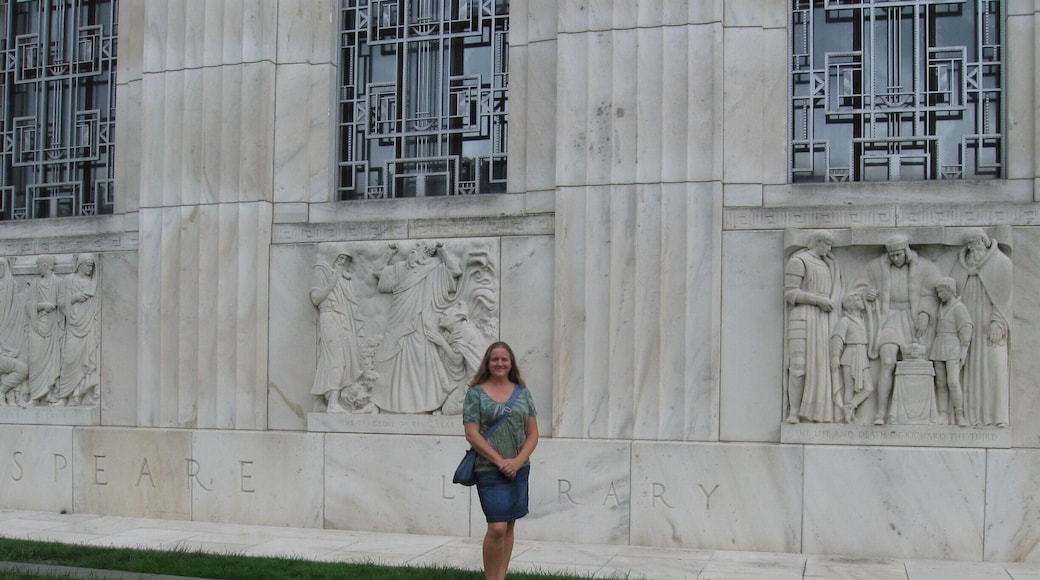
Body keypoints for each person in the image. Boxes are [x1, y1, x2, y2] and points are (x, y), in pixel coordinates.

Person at [463, 341, 538, 580]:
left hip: (519, 470)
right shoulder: (475, 393)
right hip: (489, 470)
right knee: (496, 527)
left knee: (509, 526)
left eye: (504, 359)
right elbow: (471, 433)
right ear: (488, 362)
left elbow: (533, 434)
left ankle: (500, 576)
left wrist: (517, 461)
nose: (500, 363)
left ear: (511, 363)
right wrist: (500, 461)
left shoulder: (523, 393)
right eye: (495, 359)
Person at [854, 236, 940, 425]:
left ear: (906, 251)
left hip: (912, 318)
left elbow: (935, 292)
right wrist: (864, 293)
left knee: (916, 364)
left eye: (899, 254)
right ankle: (881, 412)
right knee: (887, 361)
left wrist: (925, 313)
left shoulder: (924, 267)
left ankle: (915, 414)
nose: (896, 258)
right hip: (889, 318)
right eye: (892, 255)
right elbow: (859, 287)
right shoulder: (876, 267)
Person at [375, 241, 462, 413]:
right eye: (412, 250)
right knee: (394, 364)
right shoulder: (400, 269)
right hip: (398, 324)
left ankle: (425, 406)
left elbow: (455, 271)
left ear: (424, 254)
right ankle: (394, 404)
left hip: (420, 326)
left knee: (422, 368)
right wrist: (388, 253)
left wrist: (443, 251)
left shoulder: (433, 268)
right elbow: (378, 272)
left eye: (416, 250)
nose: (411, 252)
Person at [950, 228, 1012, 427]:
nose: (970, 248)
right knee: (970, 370)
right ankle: (972, 417)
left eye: (974, 243)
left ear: (984, 243)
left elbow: (1005, 298)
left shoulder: (1001, 263)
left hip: (990, 324)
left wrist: (997, 321)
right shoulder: (960, 267)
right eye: (968, 245)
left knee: (995, 365)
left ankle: (998, 417)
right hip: (967, 325)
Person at [783, 230, 843, 423]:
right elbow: (791, 294)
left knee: (820, 366)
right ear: (818, 242)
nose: (830, 249)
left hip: (822, 320)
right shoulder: (799, 261)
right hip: (802, 317)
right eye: (828, 245)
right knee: (798, 365)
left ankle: (817, 411)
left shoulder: (827, 264)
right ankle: (793, 412)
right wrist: (817, 300)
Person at [310, 252, 365, 413]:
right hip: (329, 316)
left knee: (333, 360)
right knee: (337, 360)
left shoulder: (342, 276)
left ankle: (320, 401)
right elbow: (315, 297)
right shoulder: (322, 270)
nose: (342, 262)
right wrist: (333, 280)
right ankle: (333, 403)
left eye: (346, 260)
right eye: (340, 258)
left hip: (341, 319)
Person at [56, 253, 101, 406]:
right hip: (73, 325)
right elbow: (61, 301)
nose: (90, 268)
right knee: (68, 360)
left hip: (88, 326)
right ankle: (63, 396)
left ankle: (77, 395)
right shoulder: (69, 280)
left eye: (92, 266)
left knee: (85, 360)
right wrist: (75, 297)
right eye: (87, 265)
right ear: (79, 264)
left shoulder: (92, 283)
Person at [928, 278, 972, 427]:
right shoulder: (940, 307)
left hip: (953, 345)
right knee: (940, 383)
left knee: (953, 381)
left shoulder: (959, 307)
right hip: (939, 344)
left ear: (950, 290)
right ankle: (943, 414)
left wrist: (964, 350)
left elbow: (966, 327)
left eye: (941, 291)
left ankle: (959, 414)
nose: (939, 295)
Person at [26, 255, 62, 405]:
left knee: (52, 360)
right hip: (37, 324)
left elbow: (63, 302)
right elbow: (28, 305)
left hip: (53, 325)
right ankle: (35, 395)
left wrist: (54, 305)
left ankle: (49, 394)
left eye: (39, 265)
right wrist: (42, 306)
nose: (37, 268)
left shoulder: (58, 282)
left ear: (46, 265)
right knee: (34, 360)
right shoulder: (35, 283)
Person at [831, 293, 872, 424]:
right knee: (849, 387)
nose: (861, 301)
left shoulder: (862, 319)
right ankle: (849, 416)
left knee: (868, 387)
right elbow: (837, 338)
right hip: (850, 354)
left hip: (862, 354)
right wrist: (835, 356)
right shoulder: (845, 321)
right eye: (858, 299)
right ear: (851, 305)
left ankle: (850, 406)